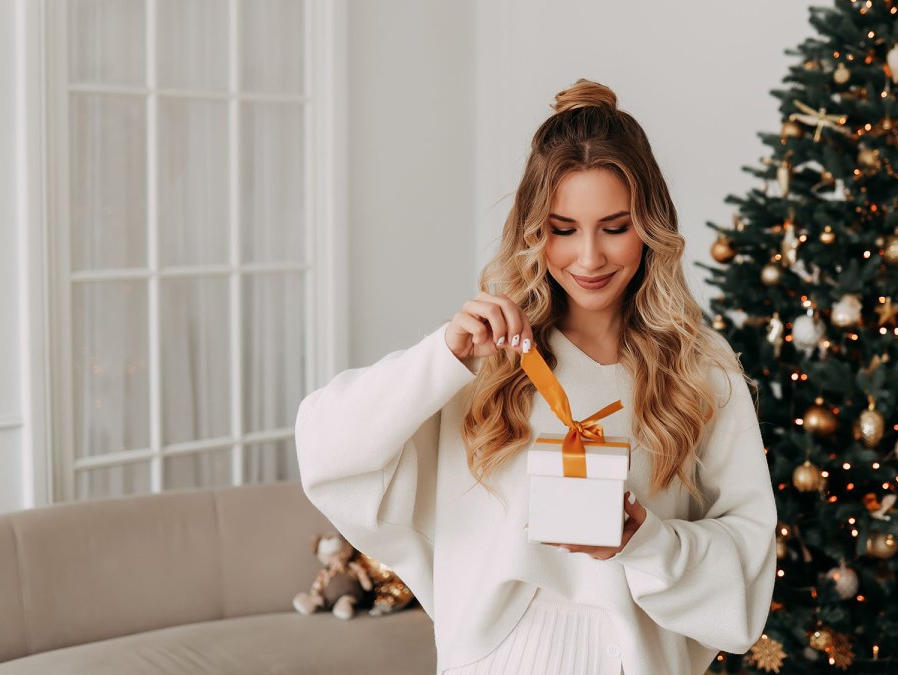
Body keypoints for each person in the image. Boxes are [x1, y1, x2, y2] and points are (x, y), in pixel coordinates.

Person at [294, 78, 777, 675]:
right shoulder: (484, 356)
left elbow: (748, 562)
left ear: (650, 226)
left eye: (616, 226)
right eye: (564, 229)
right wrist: (441, 356)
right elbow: (325, 449)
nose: (591, 258)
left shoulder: (699, 366)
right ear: (532, 229)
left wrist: (643, 541)